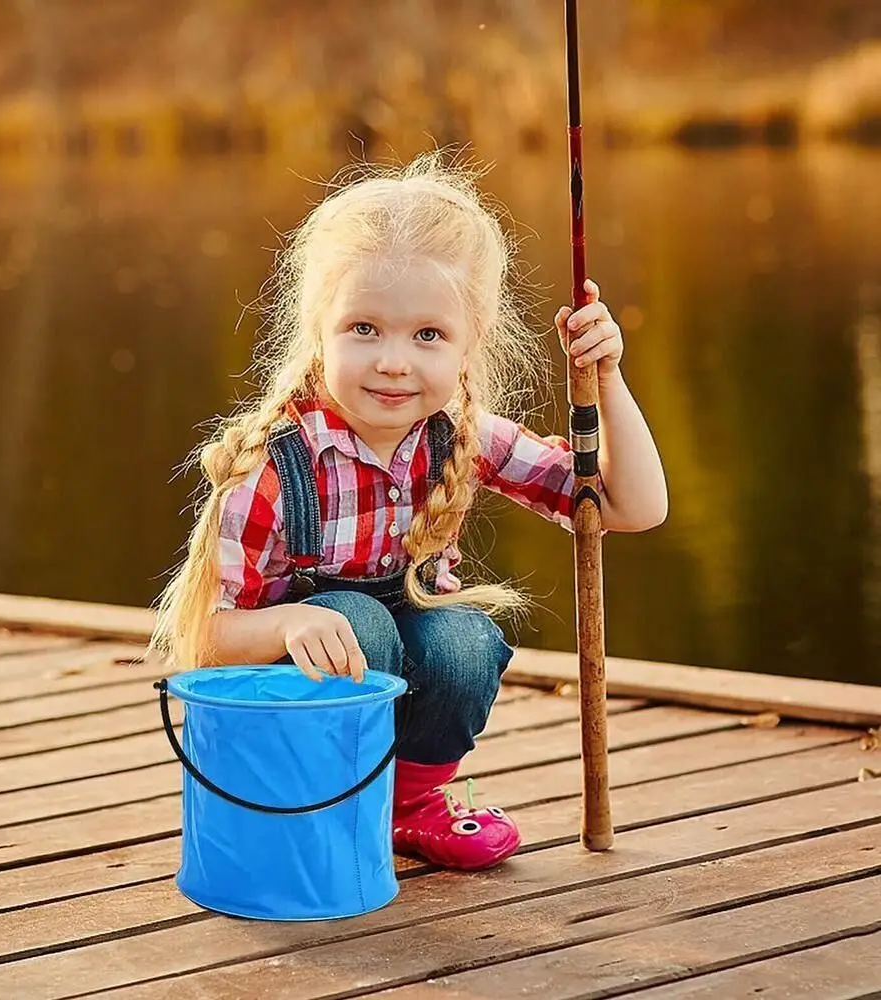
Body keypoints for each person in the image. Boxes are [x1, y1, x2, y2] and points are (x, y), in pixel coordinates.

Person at [151, 152, 667, 871]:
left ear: (469, 342)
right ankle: (333, 805)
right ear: (319, 328)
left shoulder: (462, 436)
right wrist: (290, 622)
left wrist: (606, 379)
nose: (394, 361)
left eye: (428, 335)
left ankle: (406, 806)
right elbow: (202, 640)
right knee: (356, 621)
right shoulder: (273, 466)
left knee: (464, 641)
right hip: (290, 735)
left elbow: (630, 508)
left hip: (387, 681)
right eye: (364, 328)